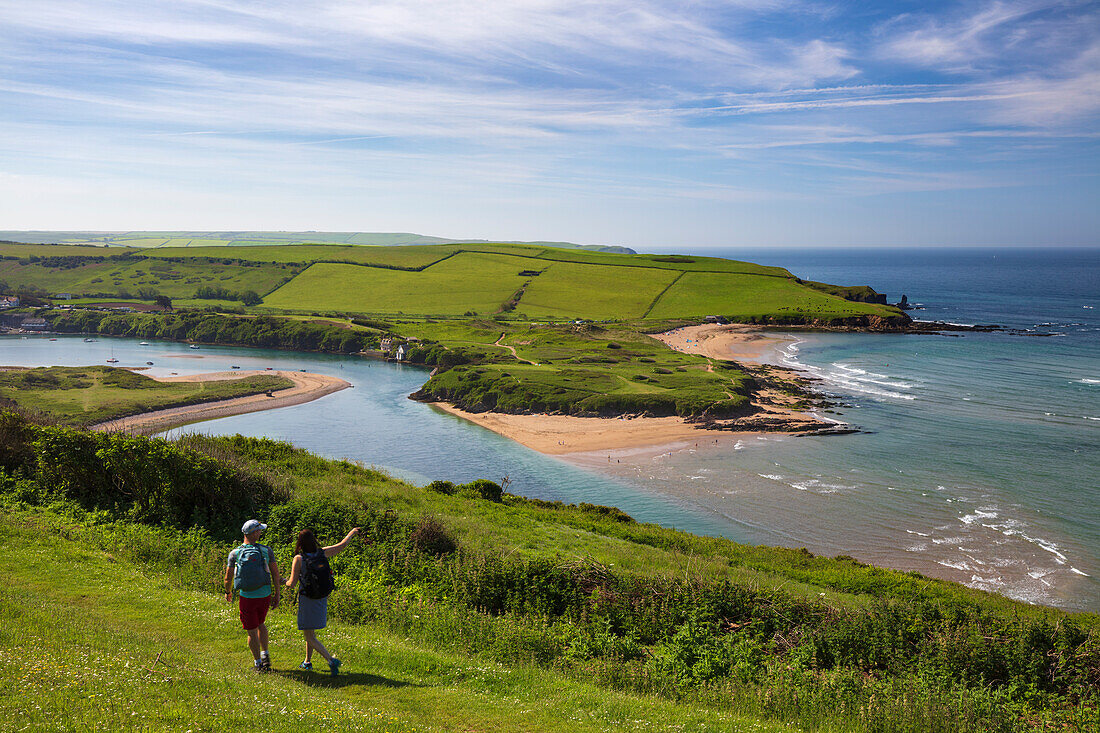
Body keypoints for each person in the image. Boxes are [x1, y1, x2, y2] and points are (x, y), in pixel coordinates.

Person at [284, 527, 362, 676]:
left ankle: (331, 660)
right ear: (314, 540)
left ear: (299, 544)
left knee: (308, 635)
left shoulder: (299, 559)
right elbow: (342, 545)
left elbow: (292, 583)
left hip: (307, 598)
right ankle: (307, 662)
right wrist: (351, 532)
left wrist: (283, 581)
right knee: (311, 632)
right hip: (321, 596)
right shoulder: (323, 553)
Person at [225, 519, 281, 673]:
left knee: (251, 630)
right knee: (261, 623)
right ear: (254, 533)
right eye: (259, 530)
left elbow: (228, 578)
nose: (261, 532)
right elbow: (275, 575)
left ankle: (258, 664)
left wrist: (228, 591)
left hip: (247, 597)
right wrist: (277, 594)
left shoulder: (234, 553)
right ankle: (265, 655)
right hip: (264, 595)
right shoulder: (266, 550)